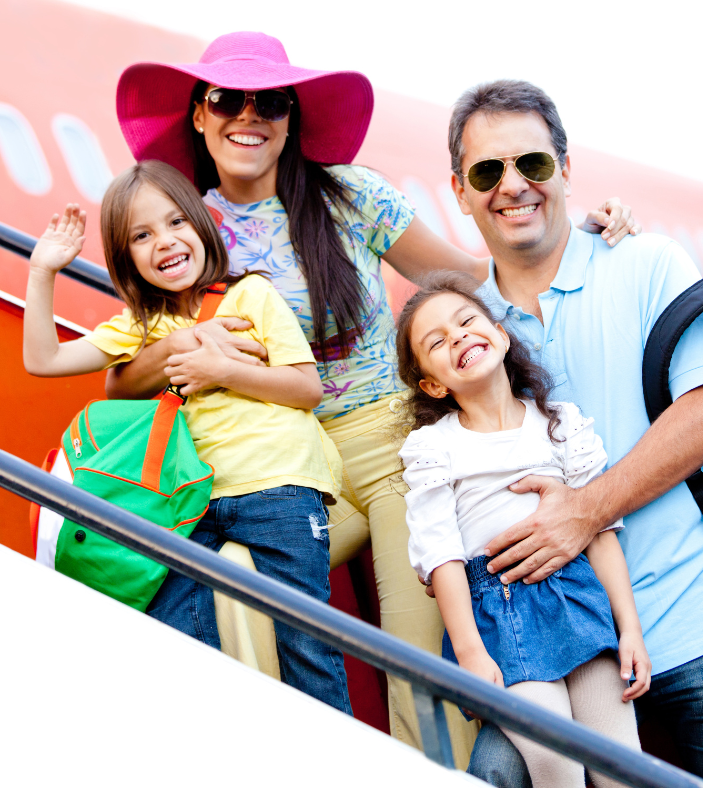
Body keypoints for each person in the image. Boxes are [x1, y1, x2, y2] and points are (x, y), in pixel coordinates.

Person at [110, 31, 638, 761]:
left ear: (290, 117)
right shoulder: (186, 226)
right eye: (226, 100)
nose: (247, 116)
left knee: (413, 652)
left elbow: (469, 276)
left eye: (269, 101)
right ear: (199, 115)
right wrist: (179, 351)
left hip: (391, 447)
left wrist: (576, 237)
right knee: (233, 589)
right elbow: (127, 365)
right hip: (290, 469)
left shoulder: (350, 195)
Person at [442, 80, 703, 788]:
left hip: (701, 623)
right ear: (459, 190)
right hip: (561, 656)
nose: (513, 186)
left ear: (566, 170)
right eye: (488, 172)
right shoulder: (463, 324)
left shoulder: (645, 262)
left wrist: (584, 512)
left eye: (532, 165)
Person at [21, 161, 349, 713]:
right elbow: (43, 358)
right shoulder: (138, 327)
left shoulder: (251, 297)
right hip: (194, 501)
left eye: (176, 223)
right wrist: (42, 272)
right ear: (127, 259)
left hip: (280, 487)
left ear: (201, 225)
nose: (165, 242)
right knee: (174, 627)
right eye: (141, 236)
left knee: (307, 643)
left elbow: (305, 388)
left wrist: (220, 372)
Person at [395, 271, 649, 788]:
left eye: (467, 321)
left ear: (501, 334)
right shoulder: (434, 449)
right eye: (437, 342)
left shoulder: (559, 423)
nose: (459, 336)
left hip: (576, 595)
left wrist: (631, 630)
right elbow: (440, 556)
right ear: (433, 384)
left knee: (620, 760)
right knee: (556, 759)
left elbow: (600, 531)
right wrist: (468, 651)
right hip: (499, 611)